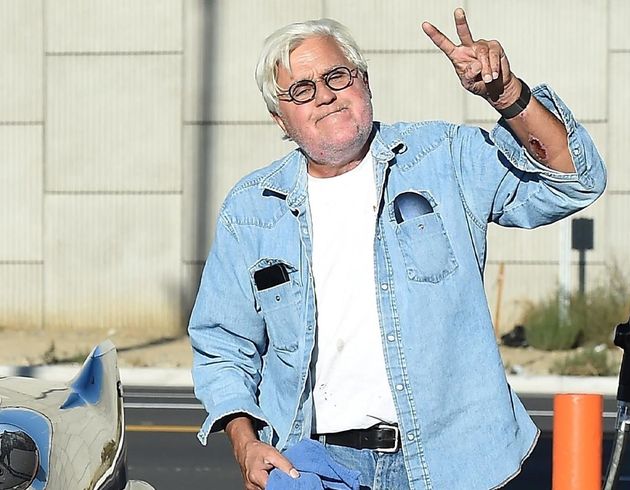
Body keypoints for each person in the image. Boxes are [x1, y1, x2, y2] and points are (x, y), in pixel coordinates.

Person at [189, 8, 606, 490]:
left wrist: (508, 96)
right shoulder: (252, 210)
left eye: (336, 76)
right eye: (301, 90)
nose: (324, 95)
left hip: (451, 464)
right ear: (279, 117)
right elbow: (223, 344)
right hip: (313, 466)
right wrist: (245, 442)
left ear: (364, 81)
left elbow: (575, 181)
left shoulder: (443, 158)